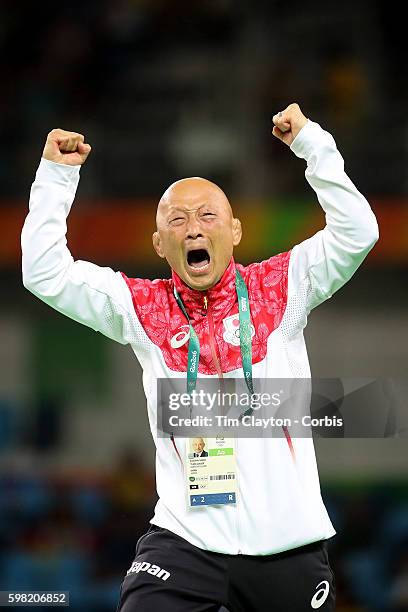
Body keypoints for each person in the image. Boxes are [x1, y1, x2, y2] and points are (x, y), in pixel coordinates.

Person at [21, 103, 379, 611]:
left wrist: (311, 144)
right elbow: (44, 273)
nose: (193, 227)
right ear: (159, 242)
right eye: (177, 219)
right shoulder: (141, 308)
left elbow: (358, 233)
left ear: (234, 231)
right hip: (185, 543)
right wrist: (56, 177)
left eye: (208, 215)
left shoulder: (282, 287)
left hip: (288, 549)